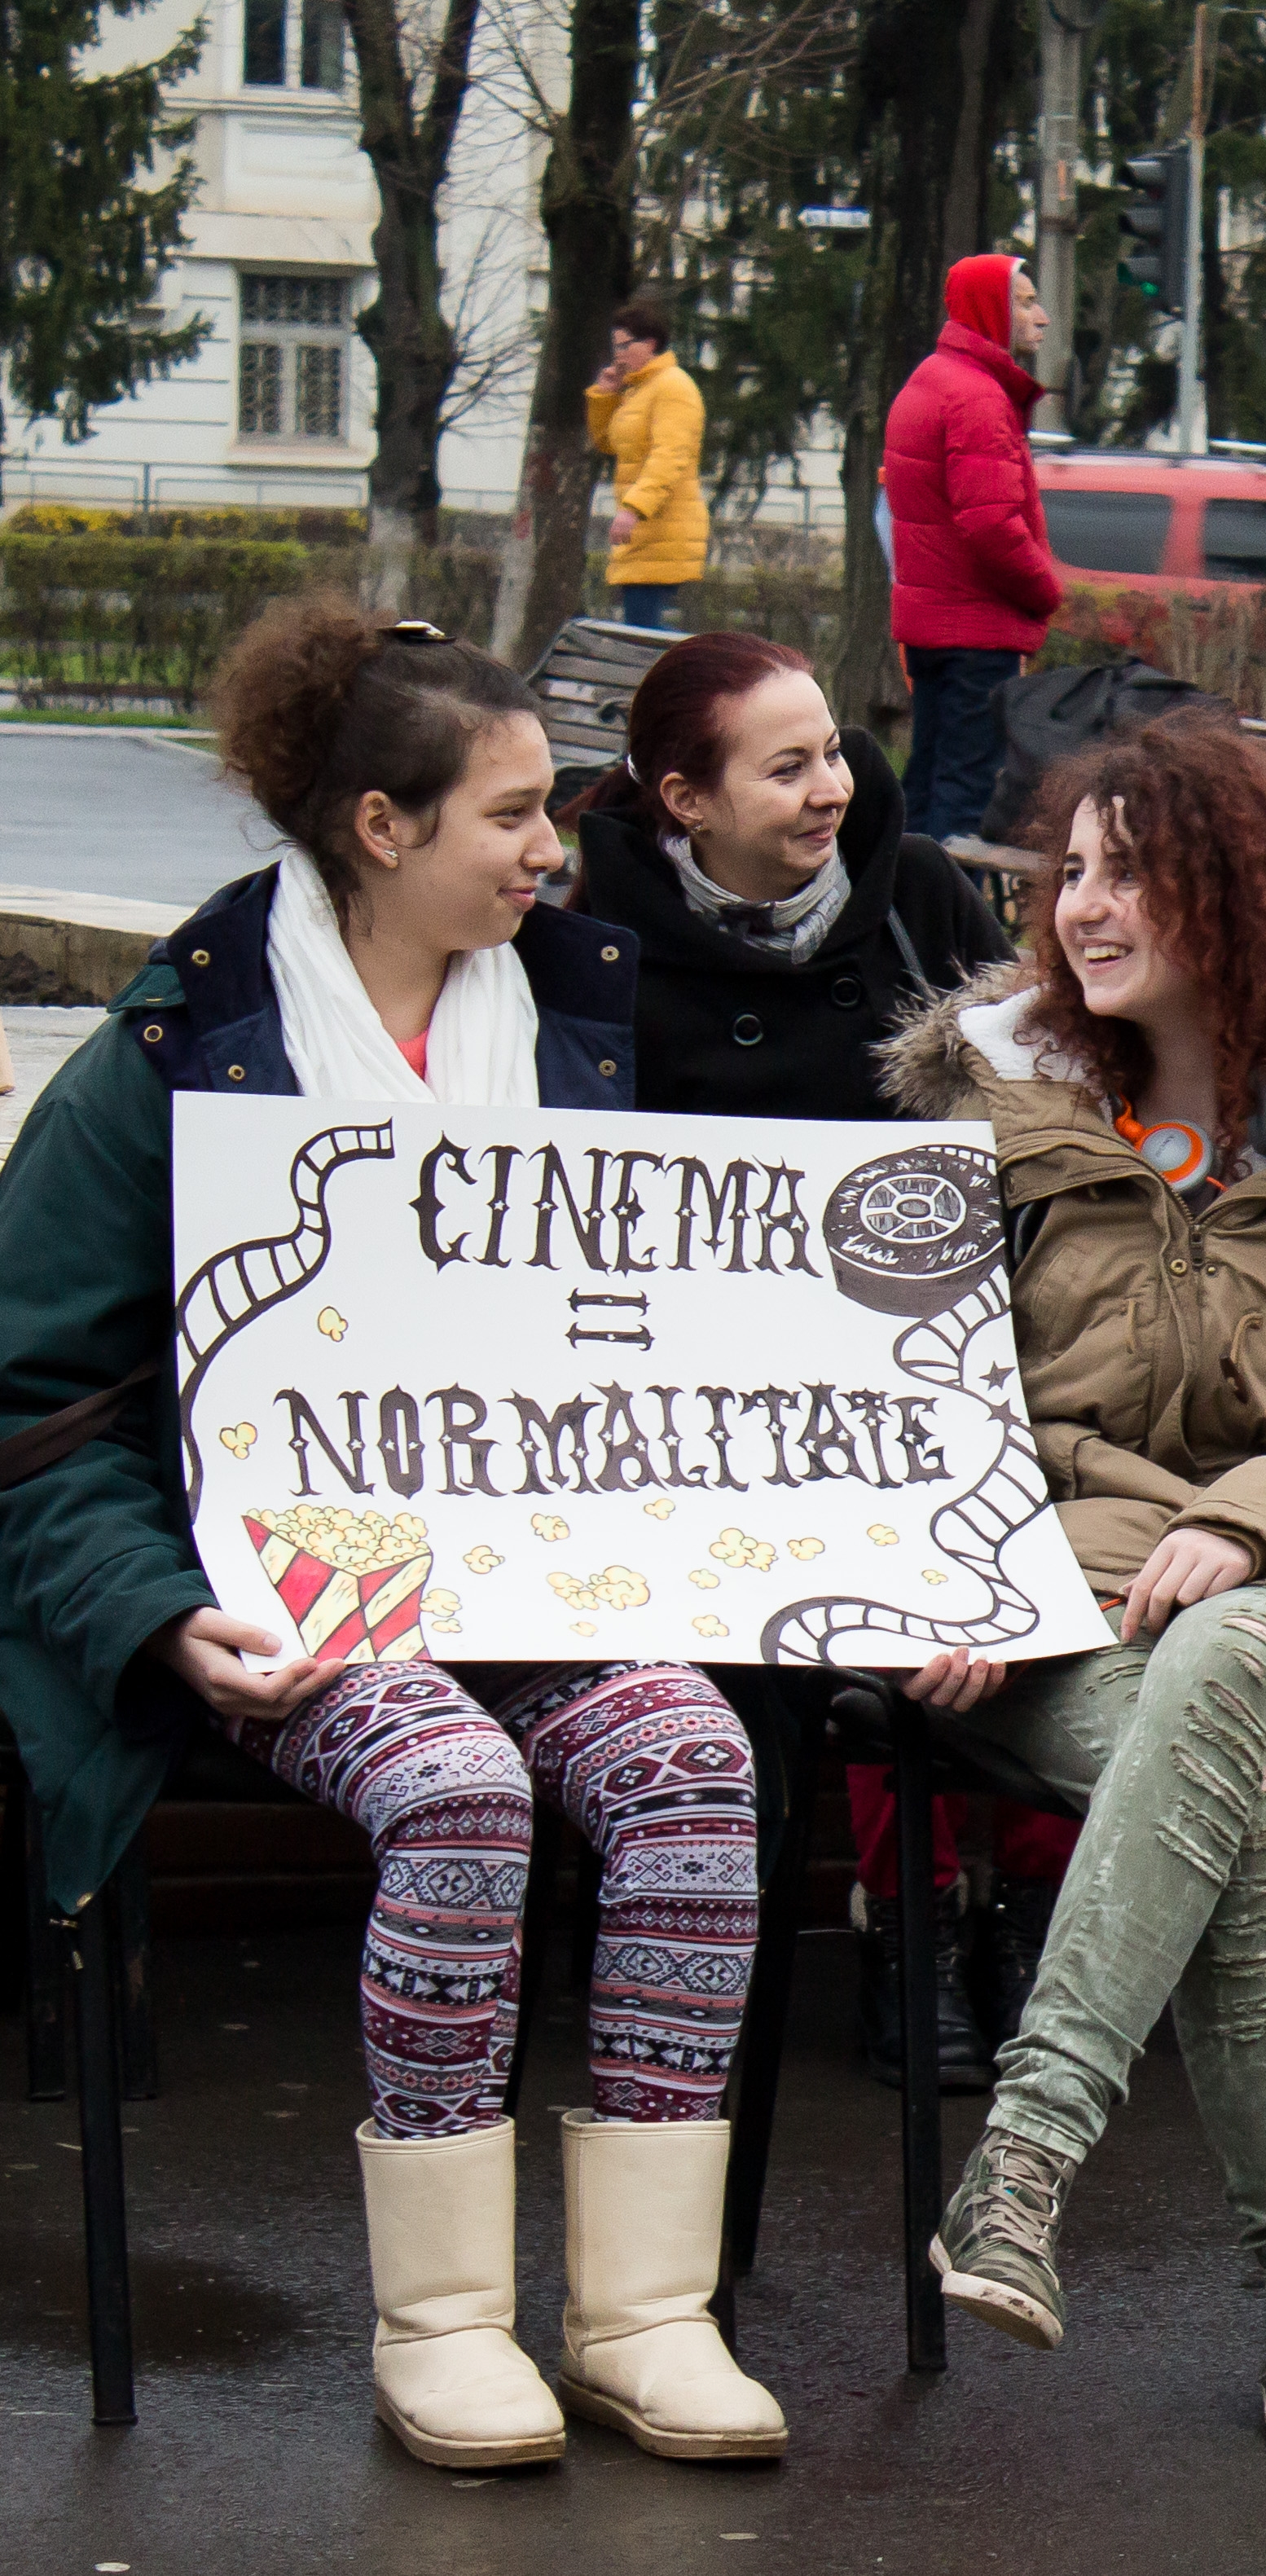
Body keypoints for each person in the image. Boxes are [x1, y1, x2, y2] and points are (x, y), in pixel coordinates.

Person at [0, 598, 782, 2468]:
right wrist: (167, 1616)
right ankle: (442, 2320)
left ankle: (643, 2314)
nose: (553, 848)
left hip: (554, 1575)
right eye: (513, 813)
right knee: (457, 1787)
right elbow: (32, 1412)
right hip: (275, 1597)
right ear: (380, 826)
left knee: (691, 1760)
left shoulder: (590, 1017)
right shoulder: (183, 1043)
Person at [881, 719, 1266, 2455]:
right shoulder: (995, 1105)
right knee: (1230, 1811)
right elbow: (935, 1402)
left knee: (1223, 1660)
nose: (1081, 904)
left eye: (1129, 868)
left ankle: (1023, 2157)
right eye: (1069, 869)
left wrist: (1257, 1523)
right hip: (1061, 1599)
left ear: (1237, 891)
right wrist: (980, 1573)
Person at [564, 629, 1061, 2091]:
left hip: (902, 1351)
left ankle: (989, 1915)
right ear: (681, 799)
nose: (832, 785)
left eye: (834, 749)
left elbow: (1017, 1096)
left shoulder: (914, 896)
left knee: (982, 1544)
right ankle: (877, 1922)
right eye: (786, 767)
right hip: (672, 1385)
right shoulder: (591, 930)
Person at [886, 253, 1062, 842]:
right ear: (991, 308)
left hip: (934, 625)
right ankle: (945, 930)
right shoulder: (978, 398)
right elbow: (990, 526)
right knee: (965, 801)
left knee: (927, 783)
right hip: (976, 629)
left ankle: (900, 918)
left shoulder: (929, 379)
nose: (1041, 316)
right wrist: (1044, 589)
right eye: (1026, 301)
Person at [584, 303, 706, 631]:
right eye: (615, 347)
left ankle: (705, 674)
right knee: (641, 629)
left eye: (625, 346)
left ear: (650, 344)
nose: (619, 355)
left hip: (662, 526)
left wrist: (633, 509)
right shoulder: (639, 390)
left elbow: (670, 457)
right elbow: (609, 444)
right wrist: (605, 397)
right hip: (644, 530)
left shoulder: (673, 387)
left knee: (642, 633)